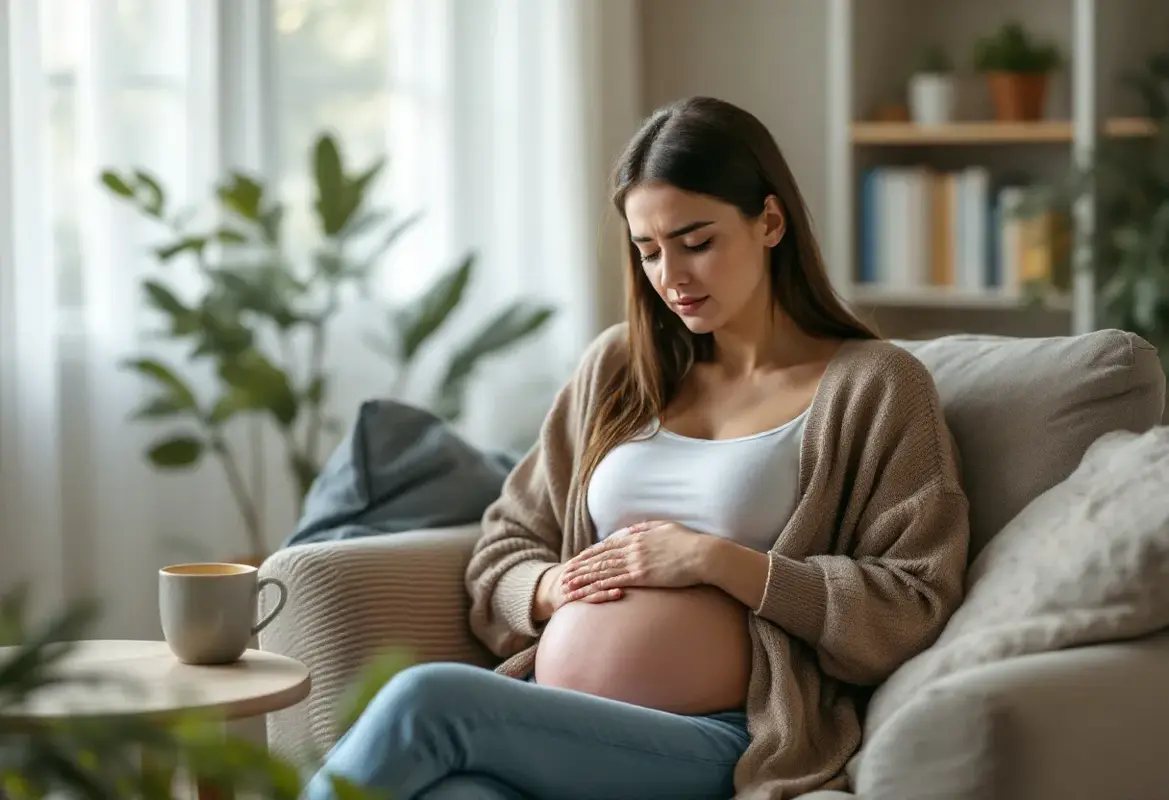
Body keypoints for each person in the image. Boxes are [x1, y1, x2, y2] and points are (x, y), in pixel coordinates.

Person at [304, 96, 971, 800]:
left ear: (768, 221)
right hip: (556, 723)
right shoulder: (620, 368)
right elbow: (506, 540)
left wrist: (718, 562)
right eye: (648, 251)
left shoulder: (875, 385)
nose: (670, 277)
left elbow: (911, 599)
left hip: (726, 737)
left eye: (696, 241)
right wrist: (547, 588)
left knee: (428, 702)